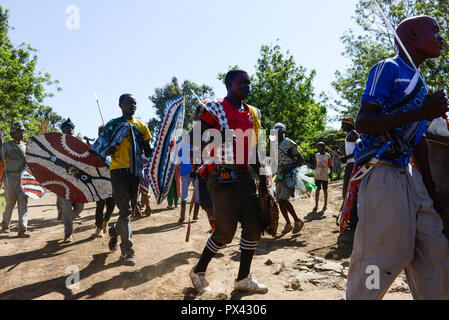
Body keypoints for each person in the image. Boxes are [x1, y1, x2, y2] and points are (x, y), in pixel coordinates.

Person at [346, 16, 449, 300]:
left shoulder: (420, 82)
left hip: (409, 175)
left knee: (435, 248)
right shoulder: (388, 68)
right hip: (381, 171)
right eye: (435, 31)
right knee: (380, 255)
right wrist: (421, 112)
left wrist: (432, 190)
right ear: (412, 36)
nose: (440, 36)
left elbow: (418, 140)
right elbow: (364, 122)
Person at [189, 69, 269, 294]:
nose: (247, 86)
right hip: (220, 174)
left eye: (249, 82)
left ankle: (243, 278)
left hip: (245, 175)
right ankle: (198, 271)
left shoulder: (253, 113)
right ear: (228, 84)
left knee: (254, 227)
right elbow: (195, 141)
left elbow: (254, 149)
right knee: (225, 231)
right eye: (242, 82)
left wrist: (263, 177)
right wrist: (218, 137)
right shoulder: (213, 109)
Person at [91, 94, 152, 266]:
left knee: (129, 210)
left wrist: (154, 150)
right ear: (120, 105)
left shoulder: (142, 126)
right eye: (128, 103)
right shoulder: (113, 124)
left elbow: (147, 151)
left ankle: (114, 230)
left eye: (134, 102)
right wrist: (108, 149)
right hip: (118, 171)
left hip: (136, 172)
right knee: (125, 210)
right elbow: (100, 149)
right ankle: (127, 252)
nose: (132, 105)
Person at [273, 123, 305, 234]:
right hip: (280, 174)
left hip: (289, 175)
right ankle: (288, 224)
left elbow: (300, 159)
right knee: (279, 201)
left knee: (283, 199)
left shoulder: (289, 143)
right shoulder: (274, 145)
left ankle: (297, 221)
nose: (277, 133)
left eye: (279, 131)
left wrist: (289, 167)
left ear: (283, 132)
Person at [0, 122, 30, 238]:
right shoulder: (6, 146)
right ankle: (6, 224)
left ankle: (23, 229)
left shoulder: (26, 146)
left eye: (23, 131)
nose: (22, 133)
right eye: (19, 131)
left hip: (23, 177)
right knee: (10, 202)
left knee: (23, 202)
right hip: (10, 177)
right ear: (13, 133)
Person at [57, 118, 85, 243]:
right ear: (62, 130)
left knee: (80, 207)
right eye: (67, 128)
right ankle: (68, 234)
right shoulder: (57, 144)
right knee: (67, 207)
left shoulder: (79, 143)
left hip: (78, 181)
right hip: (63, 181)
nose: (70, 129)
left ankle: (67, 220)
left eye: (71, 128)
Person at [93, 125, 115, 238]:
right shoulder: (95, 146)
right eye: (99, 132)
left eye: (102, 132)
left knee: (111, 205)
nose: (100, 135)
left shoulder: (114, 144)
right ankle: (99, 227)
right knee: (100, 205)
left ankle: (106, 221)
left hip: (112, 179)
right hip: (99, 181)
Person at [313, 142, 333, 212]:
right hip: (318, 175)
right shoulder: (316, 155)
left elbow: (330, 165)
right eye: (317, 147)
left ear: (324, 148)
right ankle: (316, 205)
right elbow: (315, 163)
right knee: (317, 189)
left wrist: (330, 173)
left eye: (320, 147)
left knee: (325, 190)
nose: (318, 149)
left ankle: (325, 204)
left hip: (325, 175)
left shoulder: (328, 155)